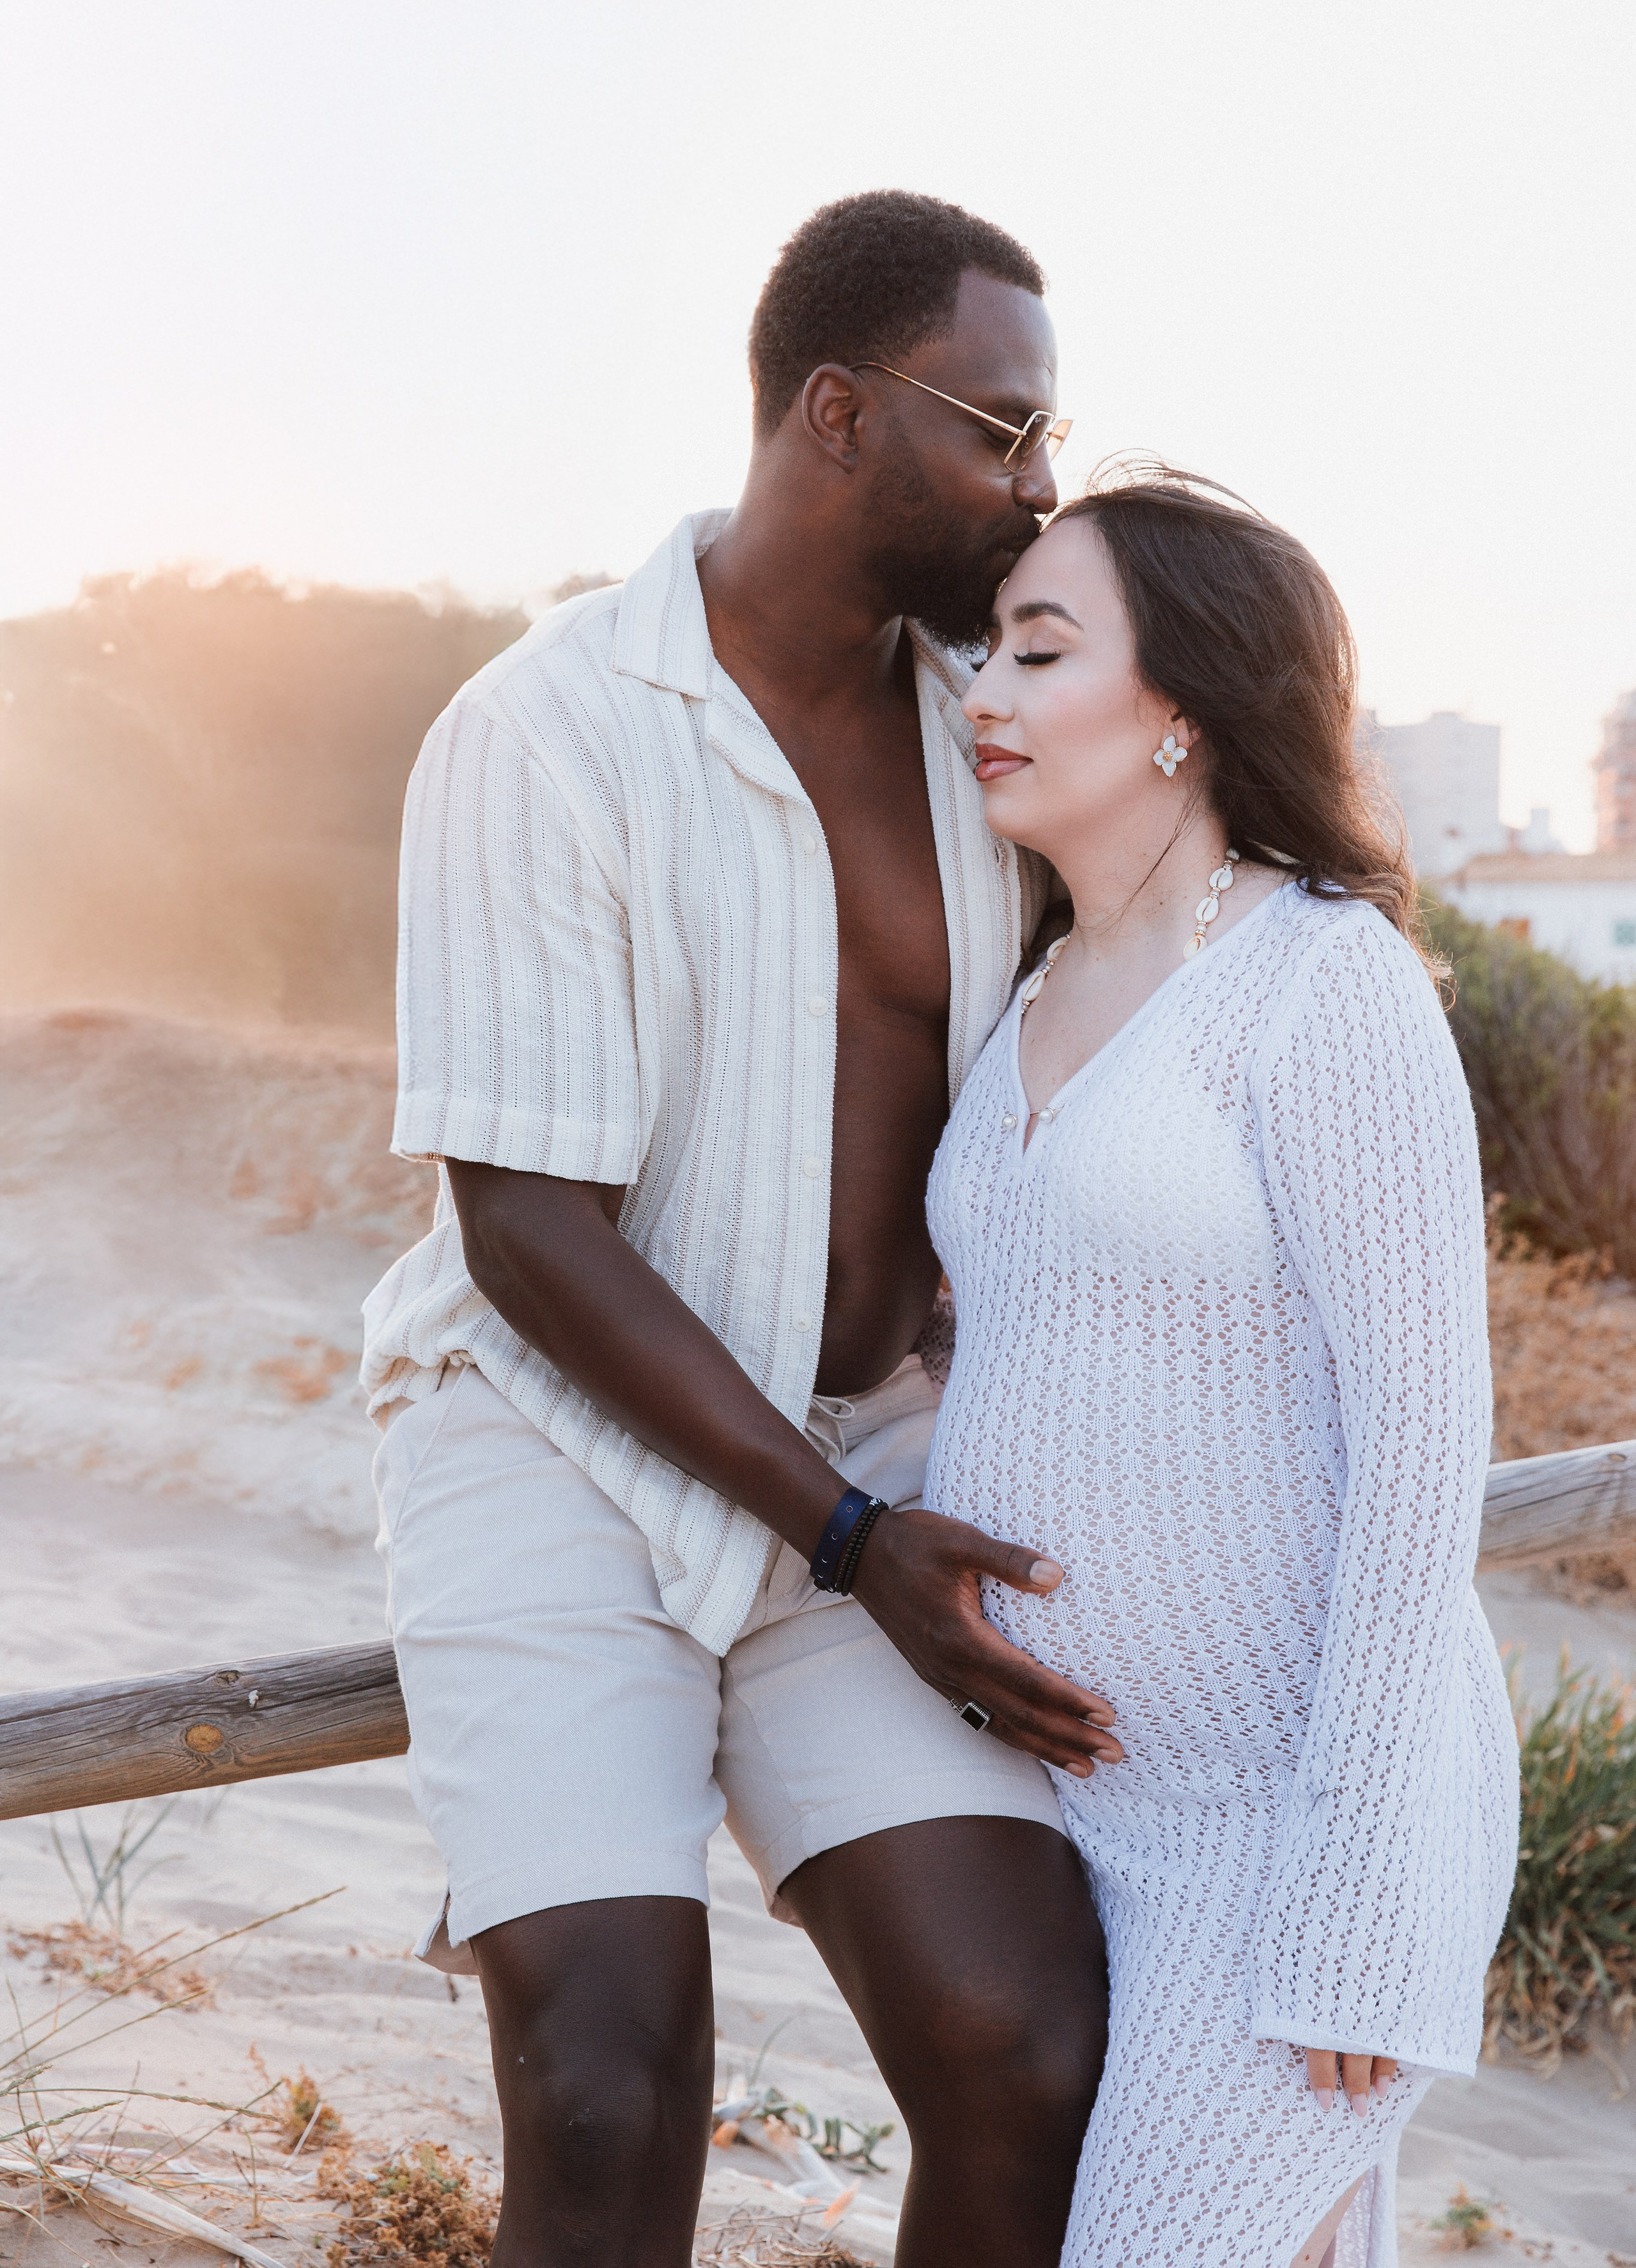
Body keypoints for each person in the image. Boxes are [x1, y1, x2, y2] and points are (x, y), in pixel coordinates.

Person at [360, 191, 1118, 2268]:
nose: (1042, 487)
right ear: (843, 415)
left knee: (1025, 2046)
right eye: (1005, 427)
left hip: (863, 1450)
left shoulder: (999, 724)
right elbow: (524, 1224)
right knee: (609, 2103)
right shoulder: (548, 732)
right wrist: (853, 1543)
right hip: (550, 1450)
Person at [923, 466, 1519, 2268]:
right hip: (1090, 1813)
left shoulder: (1322, 979)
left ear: (1183, 702)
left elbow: (1427, 1443)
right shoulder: (1026, 986)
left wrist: (1353, 1889)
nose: (988, 694)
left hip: (1290, 1830)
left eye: (1043, 650)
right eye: (986, 652)